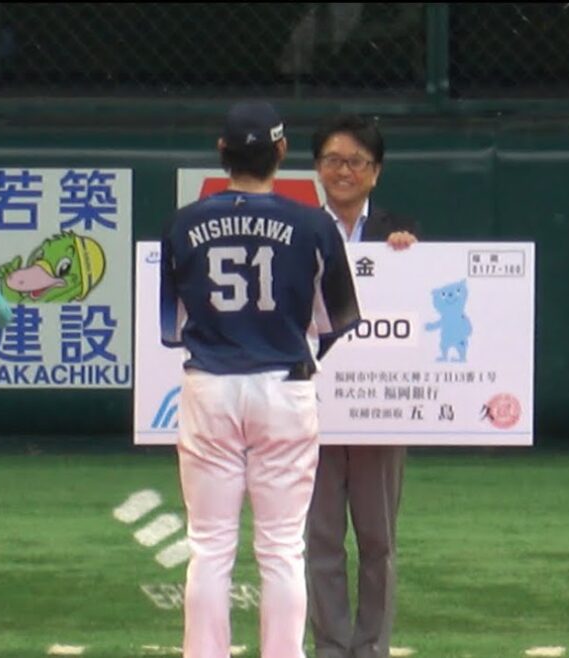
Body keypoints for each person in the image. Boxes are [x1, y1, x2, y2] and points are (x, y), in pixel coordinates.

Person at [160, 101, 361, 658]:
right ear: (281, 151)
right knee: (282, 549)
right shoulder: (314, 224)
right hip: (283, 383)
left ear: (222, 151)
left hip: (212, 383)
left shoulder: (182, 224)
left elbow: (173, 327)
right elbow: (335, 322)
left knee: (209, 547)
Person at [305, 114, 417, 658]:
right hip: (313, 408)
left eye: (355, 162)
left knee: (378, 541)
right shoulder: (298, 229)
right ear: (317, 167)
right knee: (320, 539)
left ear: (376, 171)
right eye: (333, 160)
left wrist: (411, 255)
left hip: (379, 410)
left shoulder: (402, 234)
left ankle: (371, 647)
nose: (343, 171)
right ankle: (330, 646)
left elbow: (418, 306)